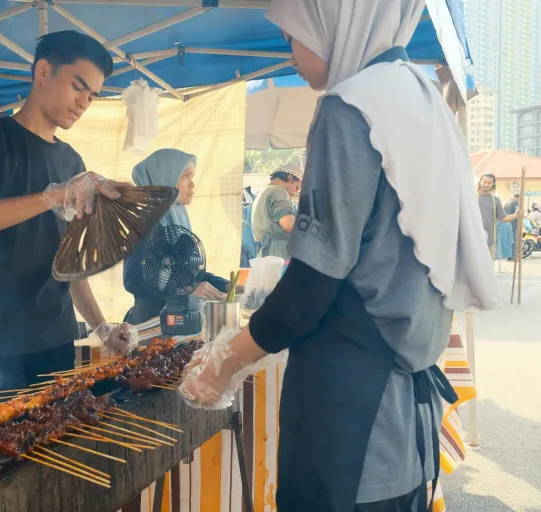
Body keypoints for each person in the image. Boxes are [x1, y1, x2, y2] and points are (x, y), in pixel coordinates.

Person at [178, 1, 502, 511]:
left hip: (350, 423)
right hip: (405, 425)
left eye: (292, 37)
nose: (290, 55)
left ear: (333, 19)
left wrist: (224, 363)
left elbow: (310, 287)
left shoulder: (349, 107)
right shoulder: (422, 97)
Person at [0, 30, 136, 408]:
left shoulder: (71, 162)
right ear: (43, 70)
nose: (84, 102)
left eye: (92, 95)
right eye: (78, 87)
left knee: (55, 455)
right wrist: (48, 197)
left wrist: (101, 326)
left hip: (57, 342)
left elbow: (68, 262)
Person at [122, 149, 231, 324]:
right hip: (151, 324)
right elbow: (133, 280)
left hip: (179, 321)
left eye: (192, 176)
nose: (192, 184)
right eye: (185, 176)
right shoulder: (145, 223)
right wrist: (186, 289)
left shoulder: (178, 218)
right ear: (163, 179)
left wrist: (227, 285)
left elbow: (190, 274)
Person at [251, 166, 301, 259]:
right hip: (278, 252)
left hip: (266, 252)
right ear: (290, 178)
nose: (294, 193)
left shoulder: (263, 192)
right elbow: (288, 224)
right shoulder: (279, 190)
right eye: (296, 187)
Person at [477, 174, 517, 260]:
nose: (486, 184)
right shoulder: (471, 197)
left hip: (489, 239)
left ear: (493, 185)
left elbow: (503, 218)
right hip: (472, 237)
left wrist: (516, 215)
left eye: (489, 183)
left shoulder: (495, 200)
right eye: (484, 182)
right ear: (480, 182)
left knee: (487, 266)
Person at [503, 193, 520, 260]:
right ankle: (513, 256)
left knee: (508, 240)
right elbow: (517, 213)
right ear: (519, 197)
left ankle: (509, 256)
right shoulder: (515, 202)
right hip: (513, 224)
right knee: (514, 240)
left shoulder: (507, 202)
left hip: (507, 223)